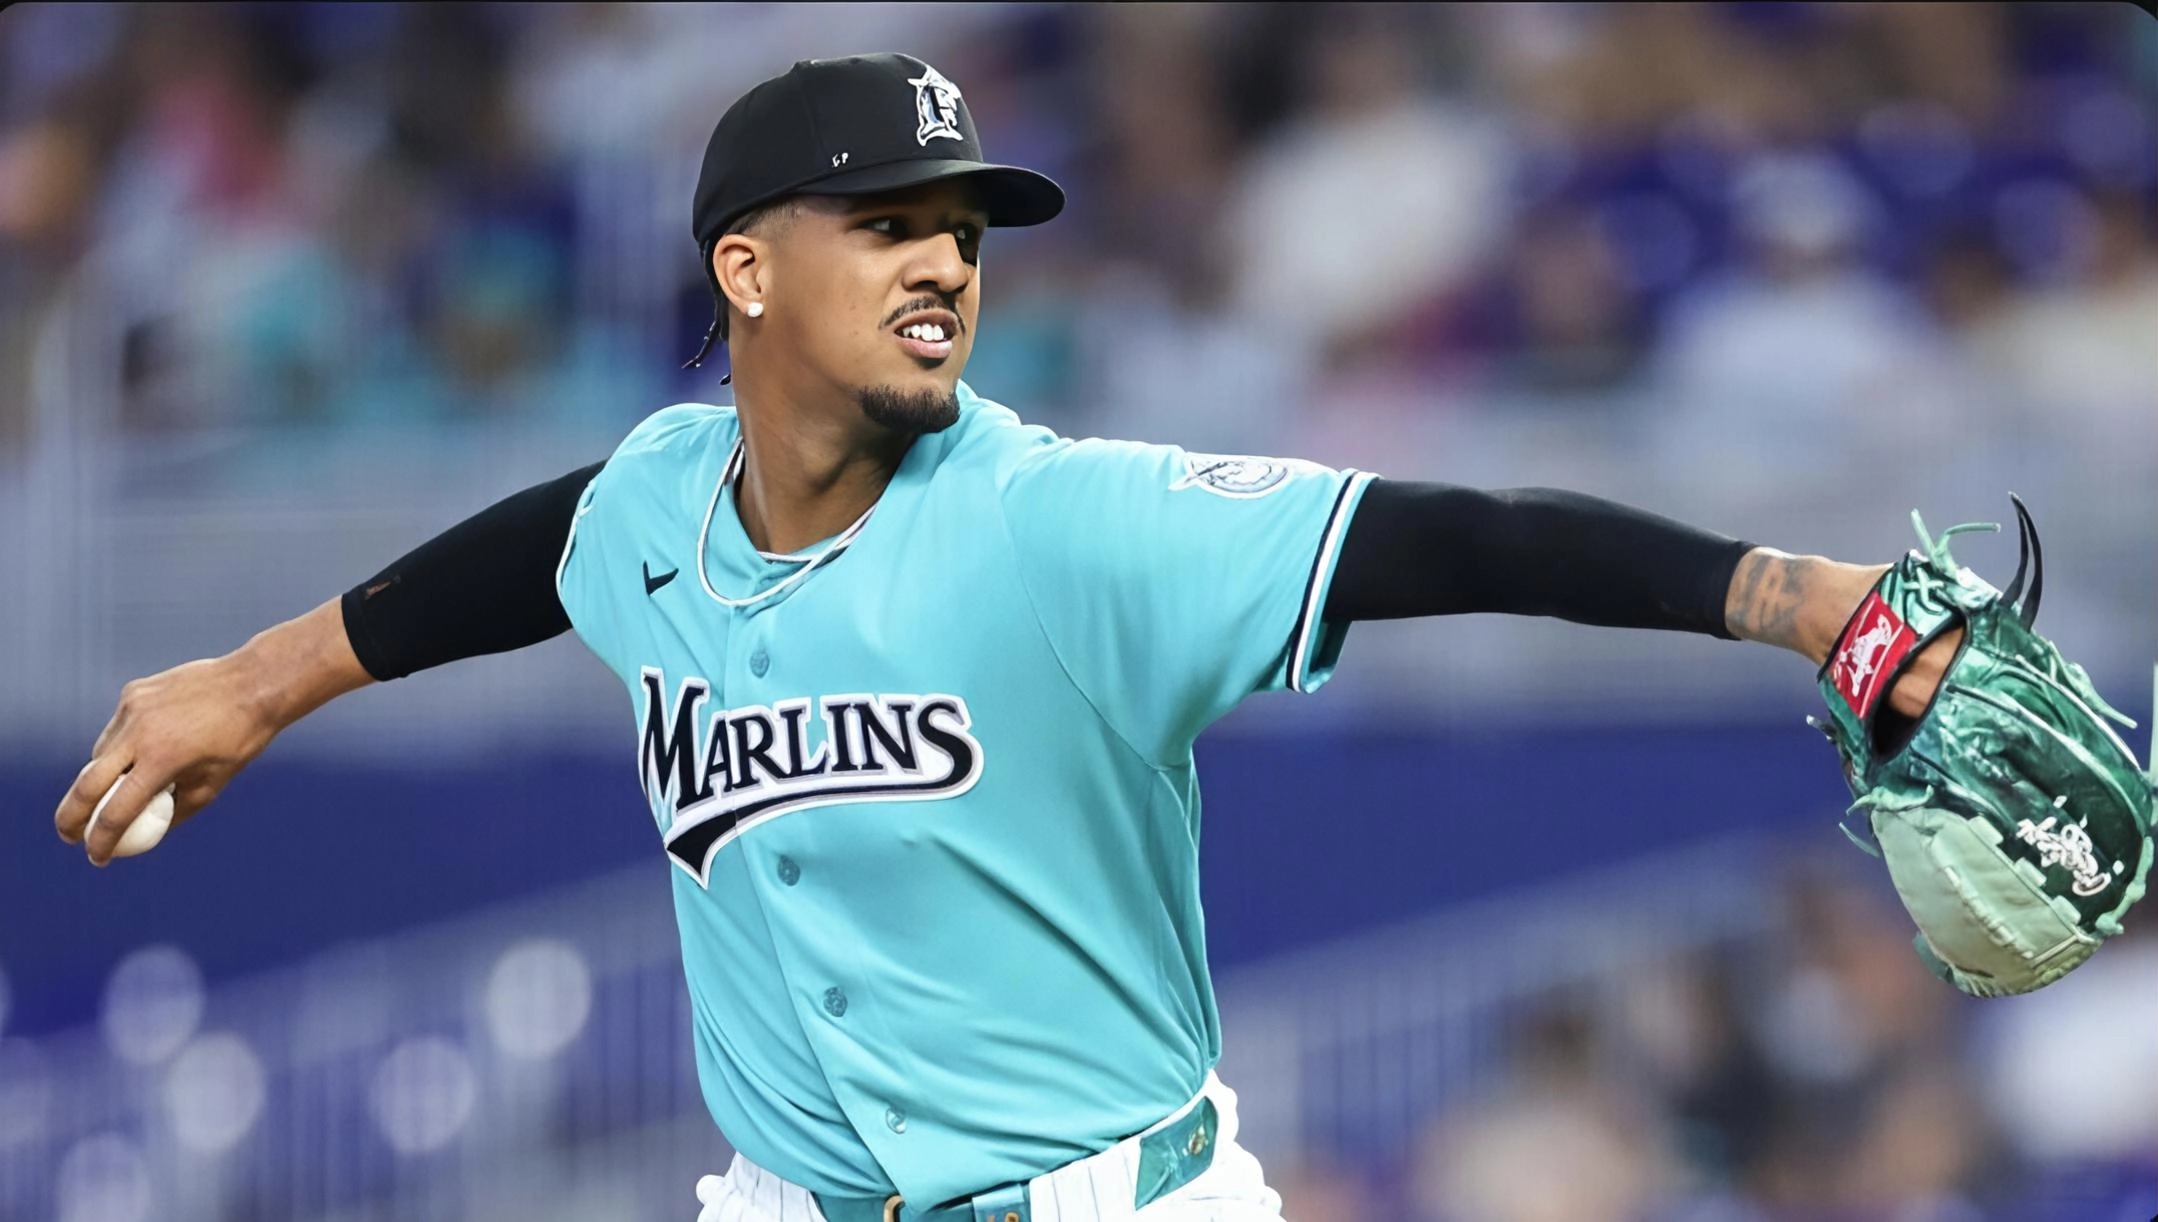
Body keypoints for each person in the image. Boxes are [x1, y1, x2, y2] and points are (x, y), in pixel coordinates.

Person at [53, 54, 1962, 1222]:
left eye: (961, 227)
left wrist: (1797, 601)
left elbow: (1455, 536)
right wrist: (259, 678)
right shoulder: (652, 501)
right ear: (744, 268)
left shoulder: (1063, 520)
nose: (944, 261)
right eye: (885, 221)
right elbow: (533, 551)